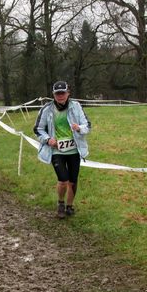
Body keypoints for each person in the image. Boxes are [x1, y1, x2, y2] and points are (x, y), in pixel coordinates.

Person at [33, 80, 91, 219]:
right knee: (63, 180)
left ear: (68, 93)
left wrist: (79, 128)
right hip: (56, 150)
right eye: (57, 93)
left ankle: (69, 206)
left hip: (74, 149)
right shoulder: (47, 109)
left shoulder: (76, 106)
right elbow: (38, 129)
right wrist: (48, 139)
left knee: (73, 181)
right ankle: (60, 203)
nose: (60, 96)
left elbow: (87, 125)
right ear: (53, 94)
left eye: (63, 93)